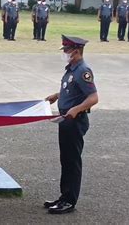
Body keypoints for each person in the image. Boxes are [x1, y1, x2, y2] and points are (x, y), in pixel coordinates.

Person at [44, 35, 99, 215]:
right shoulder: (71, 69)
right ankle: (64, 196)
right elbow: (70, 89)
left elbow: (93, 97)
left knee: (72, 161)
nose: (65, 53)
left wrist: (76, 109)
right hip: (65, 119)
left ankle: (69, 201)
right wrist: (56, 95)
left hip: (75, 121)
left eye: (67, 50)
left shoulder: (83, 71)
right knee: (65, 159)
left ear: (76, 51)